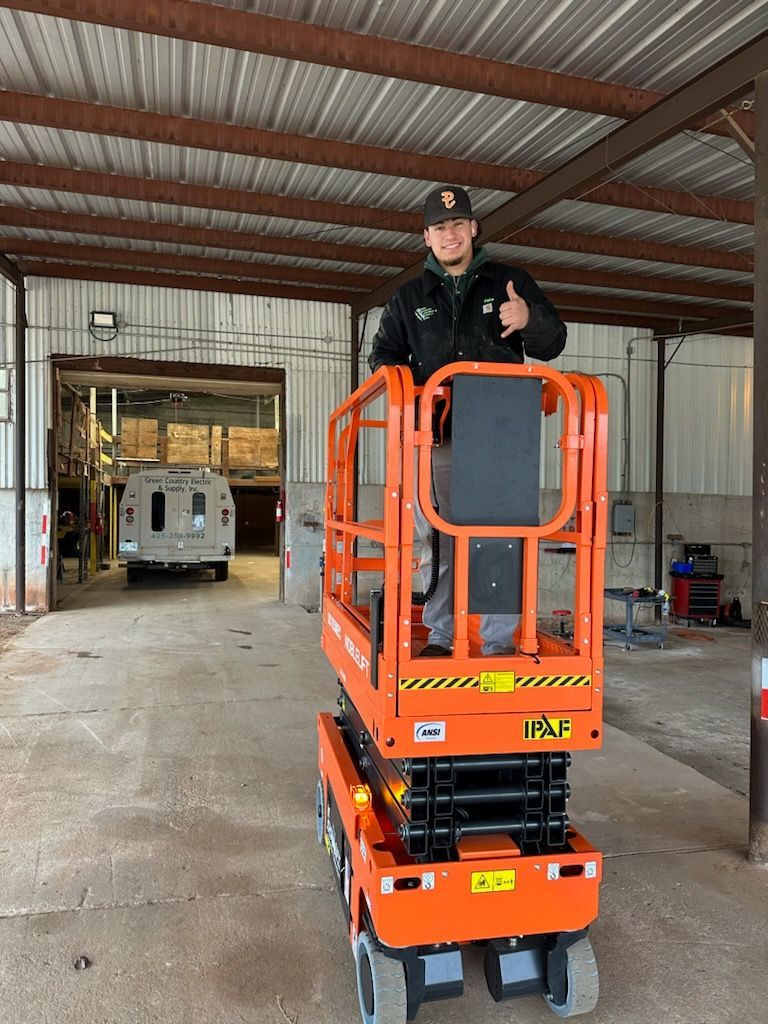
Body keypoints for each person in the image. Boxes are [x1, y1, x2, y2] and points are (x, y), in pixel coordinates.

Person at [368, 185, 566, 657]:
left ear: (474, 228)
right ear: (427, 238)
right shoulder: (408, 297)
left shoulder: (510, 282)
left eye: (458, 225)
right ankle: (441, 634)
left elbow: (552, 342)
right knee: (439, 538)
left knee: (500, 537)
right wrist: (408, 393)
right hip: (439, 440)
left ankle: (498, 640)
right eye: (439, 227)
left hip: (502, 439)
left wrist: (530, 318)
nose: (450, 234)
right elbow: (383, 357)